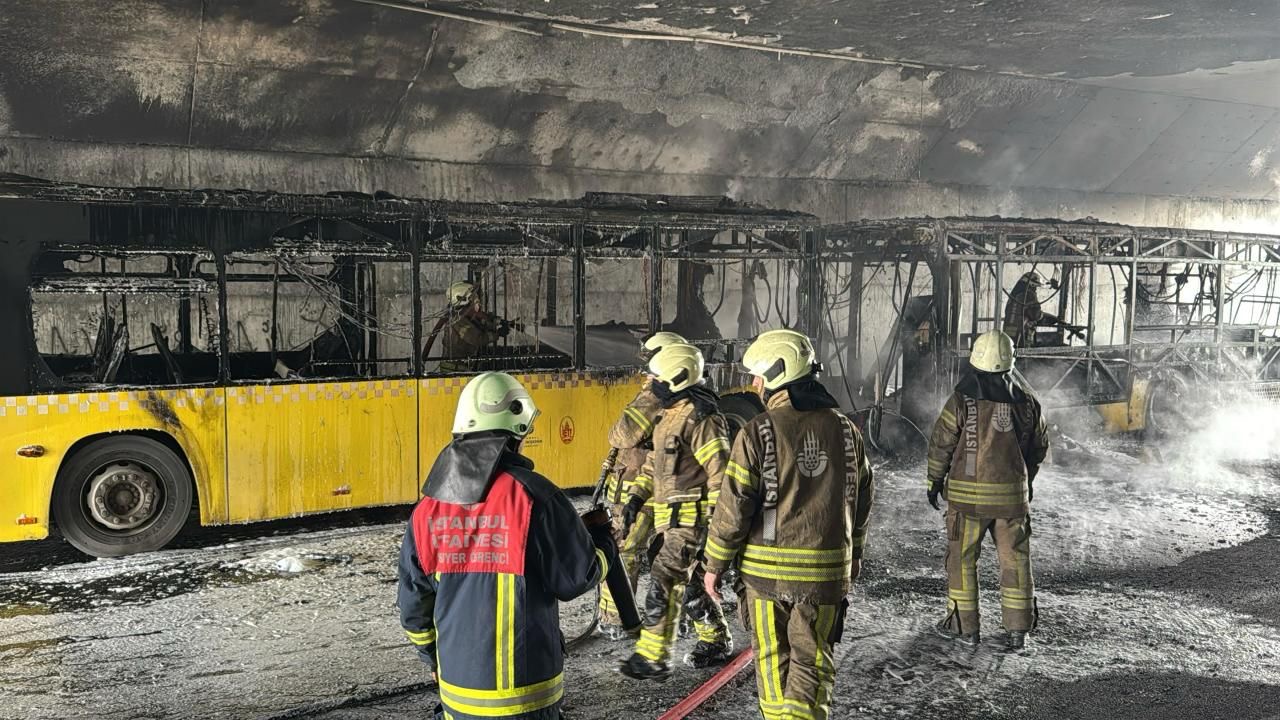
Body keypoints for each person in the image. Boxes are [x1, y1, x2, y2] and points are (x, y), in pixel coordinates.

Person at [398, 371, 615, 719]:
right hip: (528, 701)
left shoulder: (427, 509)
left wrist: (432, 659)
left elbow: (414, 606)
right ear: (517, 434)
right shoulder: (535, 496)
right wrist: (604, 543)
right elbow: (576, 578)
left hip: (458, 699)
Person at [702, 329, 874, 720]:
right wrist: (855, 553)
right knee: (812, 662)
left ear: (776, 374)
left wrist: (714, 565)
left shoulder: (758, 431)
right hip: (824, 577)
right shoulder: (846, 430)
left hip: (766, 578)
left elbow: (733, 507)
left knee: (772, 659)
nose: (754, 384)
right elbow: (862, 497)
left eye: (758, 376)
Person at [926, 329, 1050, 650]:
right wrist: (1025, 482)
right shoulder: (1027, 402)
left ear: (975, 360)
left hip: (967, 502)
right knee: (1015, 561)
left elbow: (941, 443)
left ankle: (965, 628)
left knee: (962, 560)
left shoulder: (961, 400)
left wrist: (934, 481)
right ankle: (1018, 631)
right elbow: (1039, 448)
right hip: (1011, 502)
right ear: (1010, 361)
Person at [618, 342, 734, 679]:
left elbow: (721, 476)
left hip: (692, 520)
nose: (652, 384)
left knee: (664, 577)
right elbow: (653, 465)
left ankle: (653, 657)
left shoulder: (702, 418)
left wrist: (718, 530)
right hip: (669, 519)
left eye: (657, 378)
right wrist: (635, 499)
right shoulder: (668, 416)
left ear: (676, 379)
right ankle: (714, 639)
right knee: (688, 582)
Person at [597, 331, 687, 639]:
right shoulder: (686, 398)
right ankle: (674, 618)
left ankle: (614, 620)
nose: (645, 370)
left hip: (638, 487)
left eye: (650, 362)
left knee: (624, 550)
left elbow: (622, 435)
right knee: (668, 554)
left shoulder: (655, 396)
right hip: (669, 488)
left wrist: (647, 392)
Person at [437, 281, 509, 369]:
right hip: (454, 369)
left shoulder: (465, 315)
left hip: (462, 367)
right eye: (473, 297)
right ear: (463, 300)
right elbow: (477, 339)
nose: (477, 300)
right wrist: (497, 334)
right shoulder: (457, 320)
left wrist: (498, 321)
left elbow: (481, 322)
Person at [1002, 271, 1082, 348]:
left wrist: (1056, 319)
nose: (1035, 290)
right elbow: (1037, 316)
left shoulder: (1014, 295)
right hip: (1021, 334)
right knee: (1023, 356)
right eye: (1035, 287)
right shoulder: (1029, 294)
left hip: (1008, 333)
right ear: (1031, 284)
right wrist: (1056, 320)